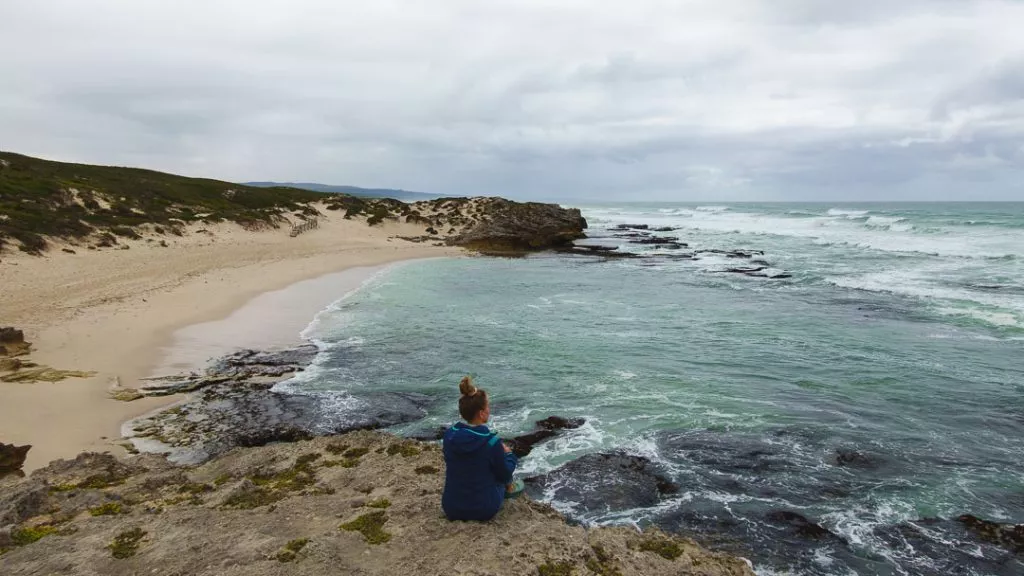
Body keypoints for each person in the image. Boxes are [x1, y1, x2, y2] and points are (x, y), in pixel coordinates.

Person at [441, 376, 522, 521]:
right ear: (481, 413)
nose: (489, 409)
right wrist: (510, 455)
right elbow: (503, 474)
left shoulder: (449, 436)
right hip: (483, 509)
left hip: (451, 508)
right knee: (502, 474)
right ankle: (510, 488)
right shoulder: (491, 442)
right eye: (488, 406)